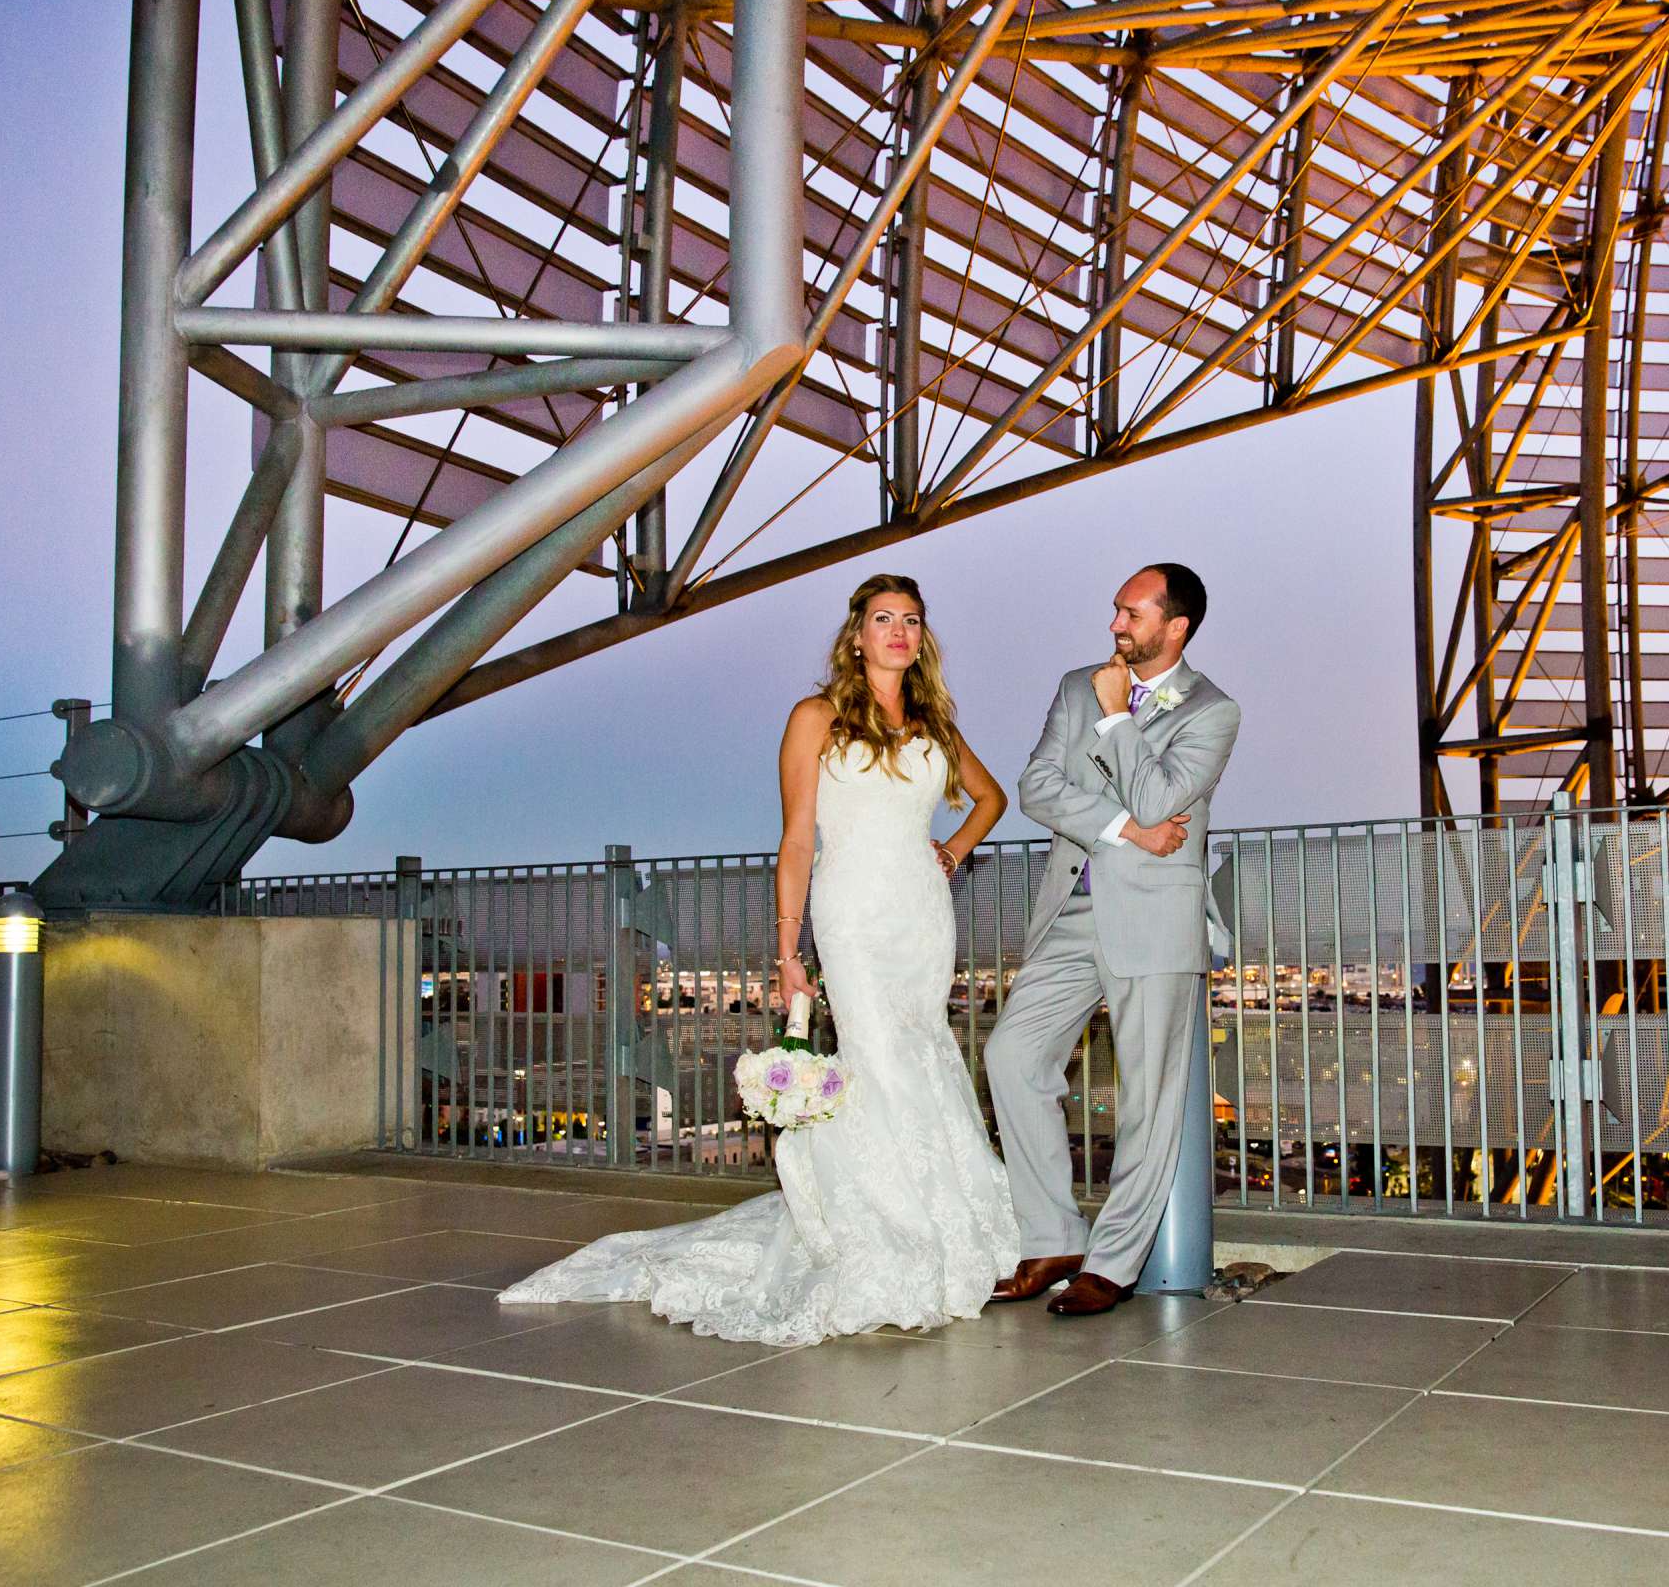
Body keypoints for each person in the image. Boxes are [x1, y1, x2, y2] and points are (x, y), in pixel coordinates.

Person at [498, 575, 1019, 1345]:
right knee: (877, 1059)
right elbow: (799, 838)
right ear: (856, 636)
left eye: (911, 619)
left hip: (922, 916)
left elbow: (991, 796)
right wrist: (787, 949)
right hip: (852, 914)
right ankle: (886, 1231)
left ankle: (949, 1224)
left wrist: (950, 851)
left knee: (924, 1053)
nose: (899, 632)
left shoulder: (935, 723)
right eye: (884, 619)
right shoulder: (816, 717)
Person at [984, 564, 1243, 1316]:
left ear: (1175, 626)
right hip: (1073, 907)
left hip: (1158, 918)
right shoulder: (1078, 683)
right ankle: (1053, 1235)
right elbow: (1036, 786)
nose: (1115, 626)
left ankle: (1115, 1260)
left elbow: (1165, 793)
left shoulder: (1214, 711)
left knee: (1147, 1097)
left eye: (1131, 613)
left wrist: (1114, 722)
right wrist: (1127, 826)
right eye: (1116, 610)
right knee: (1011, 1053)